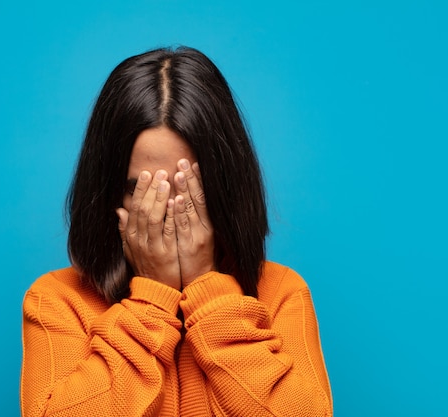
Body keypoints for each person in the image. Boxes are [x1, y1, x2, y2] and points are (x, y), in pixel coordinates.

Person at [20, 46, 332, 417]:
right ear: (105, 191)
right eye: (143, 190)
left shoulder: (282, 294)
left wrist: (208, 290)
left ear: (224, 186)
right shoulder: (57, 301)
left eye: (186, 189)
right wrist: (153, 298)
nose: (166, 212)